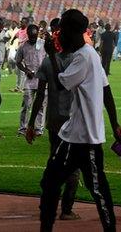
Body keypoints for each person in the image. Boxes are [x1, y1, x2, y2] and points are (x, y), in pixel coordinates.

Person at [34, 9, 121, 232]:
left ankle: (109, 228)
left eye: (61, 31)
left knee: (97, 188)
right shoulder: (90, 54)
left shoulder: (84, 56)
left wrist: (53, 56)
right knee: (50, 182)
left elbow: (59, 84)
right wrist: (114, 123)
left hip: (86, 138)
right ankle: (46, 227)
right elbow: (107, 90)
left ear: (71, 32)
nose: (58, 36)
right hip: (73, 134)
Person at [25, 21, 81, 221]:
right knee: (73, 168)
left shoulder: (48, 62)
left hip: (54, 121)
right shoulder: (78, 61)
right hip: (73, 121)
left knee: (55, 162)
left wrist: (31, 123)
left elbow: (40, 95)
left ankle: (48, 203)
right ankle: (66, 209)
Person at [16, 24, 47, 135]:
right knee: (26, 105)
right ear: (28, 35)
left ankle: (38, 129)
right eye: (31, 36)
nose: (33, 39)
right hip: (29, 81)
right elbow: (18, 62)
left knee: (41, 106)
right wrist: (26, 70)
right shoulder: (23, 46)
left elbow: (49, 59)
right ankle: (22, 128)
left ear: (37, 33)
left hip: (42, 80)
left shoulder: (44, 44)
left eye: (34, 36)